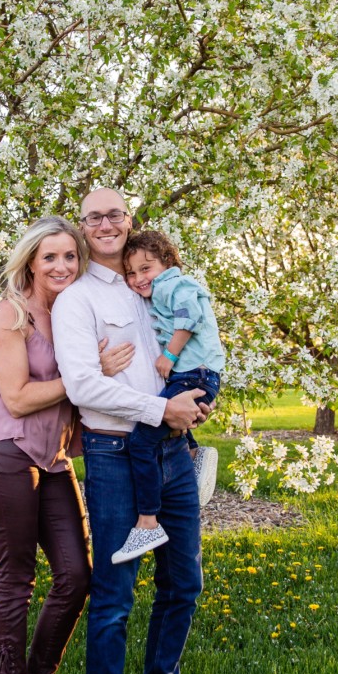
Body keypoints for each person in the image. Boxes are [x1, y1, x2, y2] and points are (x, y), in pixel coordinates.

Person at [51, 189, 226, 674]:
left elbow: (190, 344)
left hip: (174, 451)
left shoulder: (155, 283)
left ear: (130, 222)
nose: (106, 224)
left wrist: (195, 401)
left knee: (184, 583)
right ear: (83, 226)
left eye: (115, 214)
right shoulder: (76, 302)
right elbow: (83, 387)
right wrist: (160, 411)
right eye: (94, 216)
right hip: (115, 453)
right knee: (115, 596)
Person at [0, 215, 92, 674]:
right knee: (16, 579)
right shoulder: (10, 313)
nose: (62, 266)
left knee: (76, 575)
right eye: (51, 257)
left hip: (56, 459)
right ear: (30, 261)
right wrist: (87, 379)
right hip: (7, 454)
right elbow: (18, 397)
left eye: (70, 256)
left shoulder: (72, 314)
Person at [111, 228, 224, 564]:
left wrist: (169, 356)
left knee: (142, 442)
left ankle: (147, 522)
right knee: (169, 422)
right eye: (130, 273)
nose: (138, 278)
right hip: (197, 374)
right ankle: (193, 455)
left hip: (193, 373)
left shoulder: (173, 284)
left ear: (168, 263)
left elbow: (190, 318)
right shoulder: (161, 289)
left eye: (146, 268)